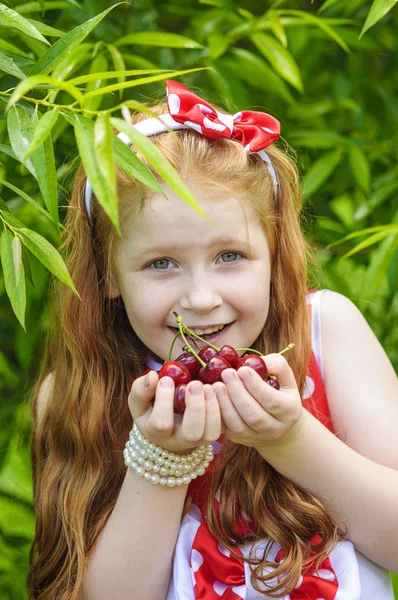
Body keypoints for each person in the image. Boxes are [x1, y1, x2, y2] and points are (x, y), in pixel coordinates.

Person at [27, 80, 398, 600]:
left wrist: (291, 440)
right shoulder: (82, 394)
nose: (201, 298)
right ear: (107, 275)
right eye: (161, 263)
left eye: (230, 256)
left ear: (273, 253)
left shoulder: (325, 332)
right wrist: (160, 462)